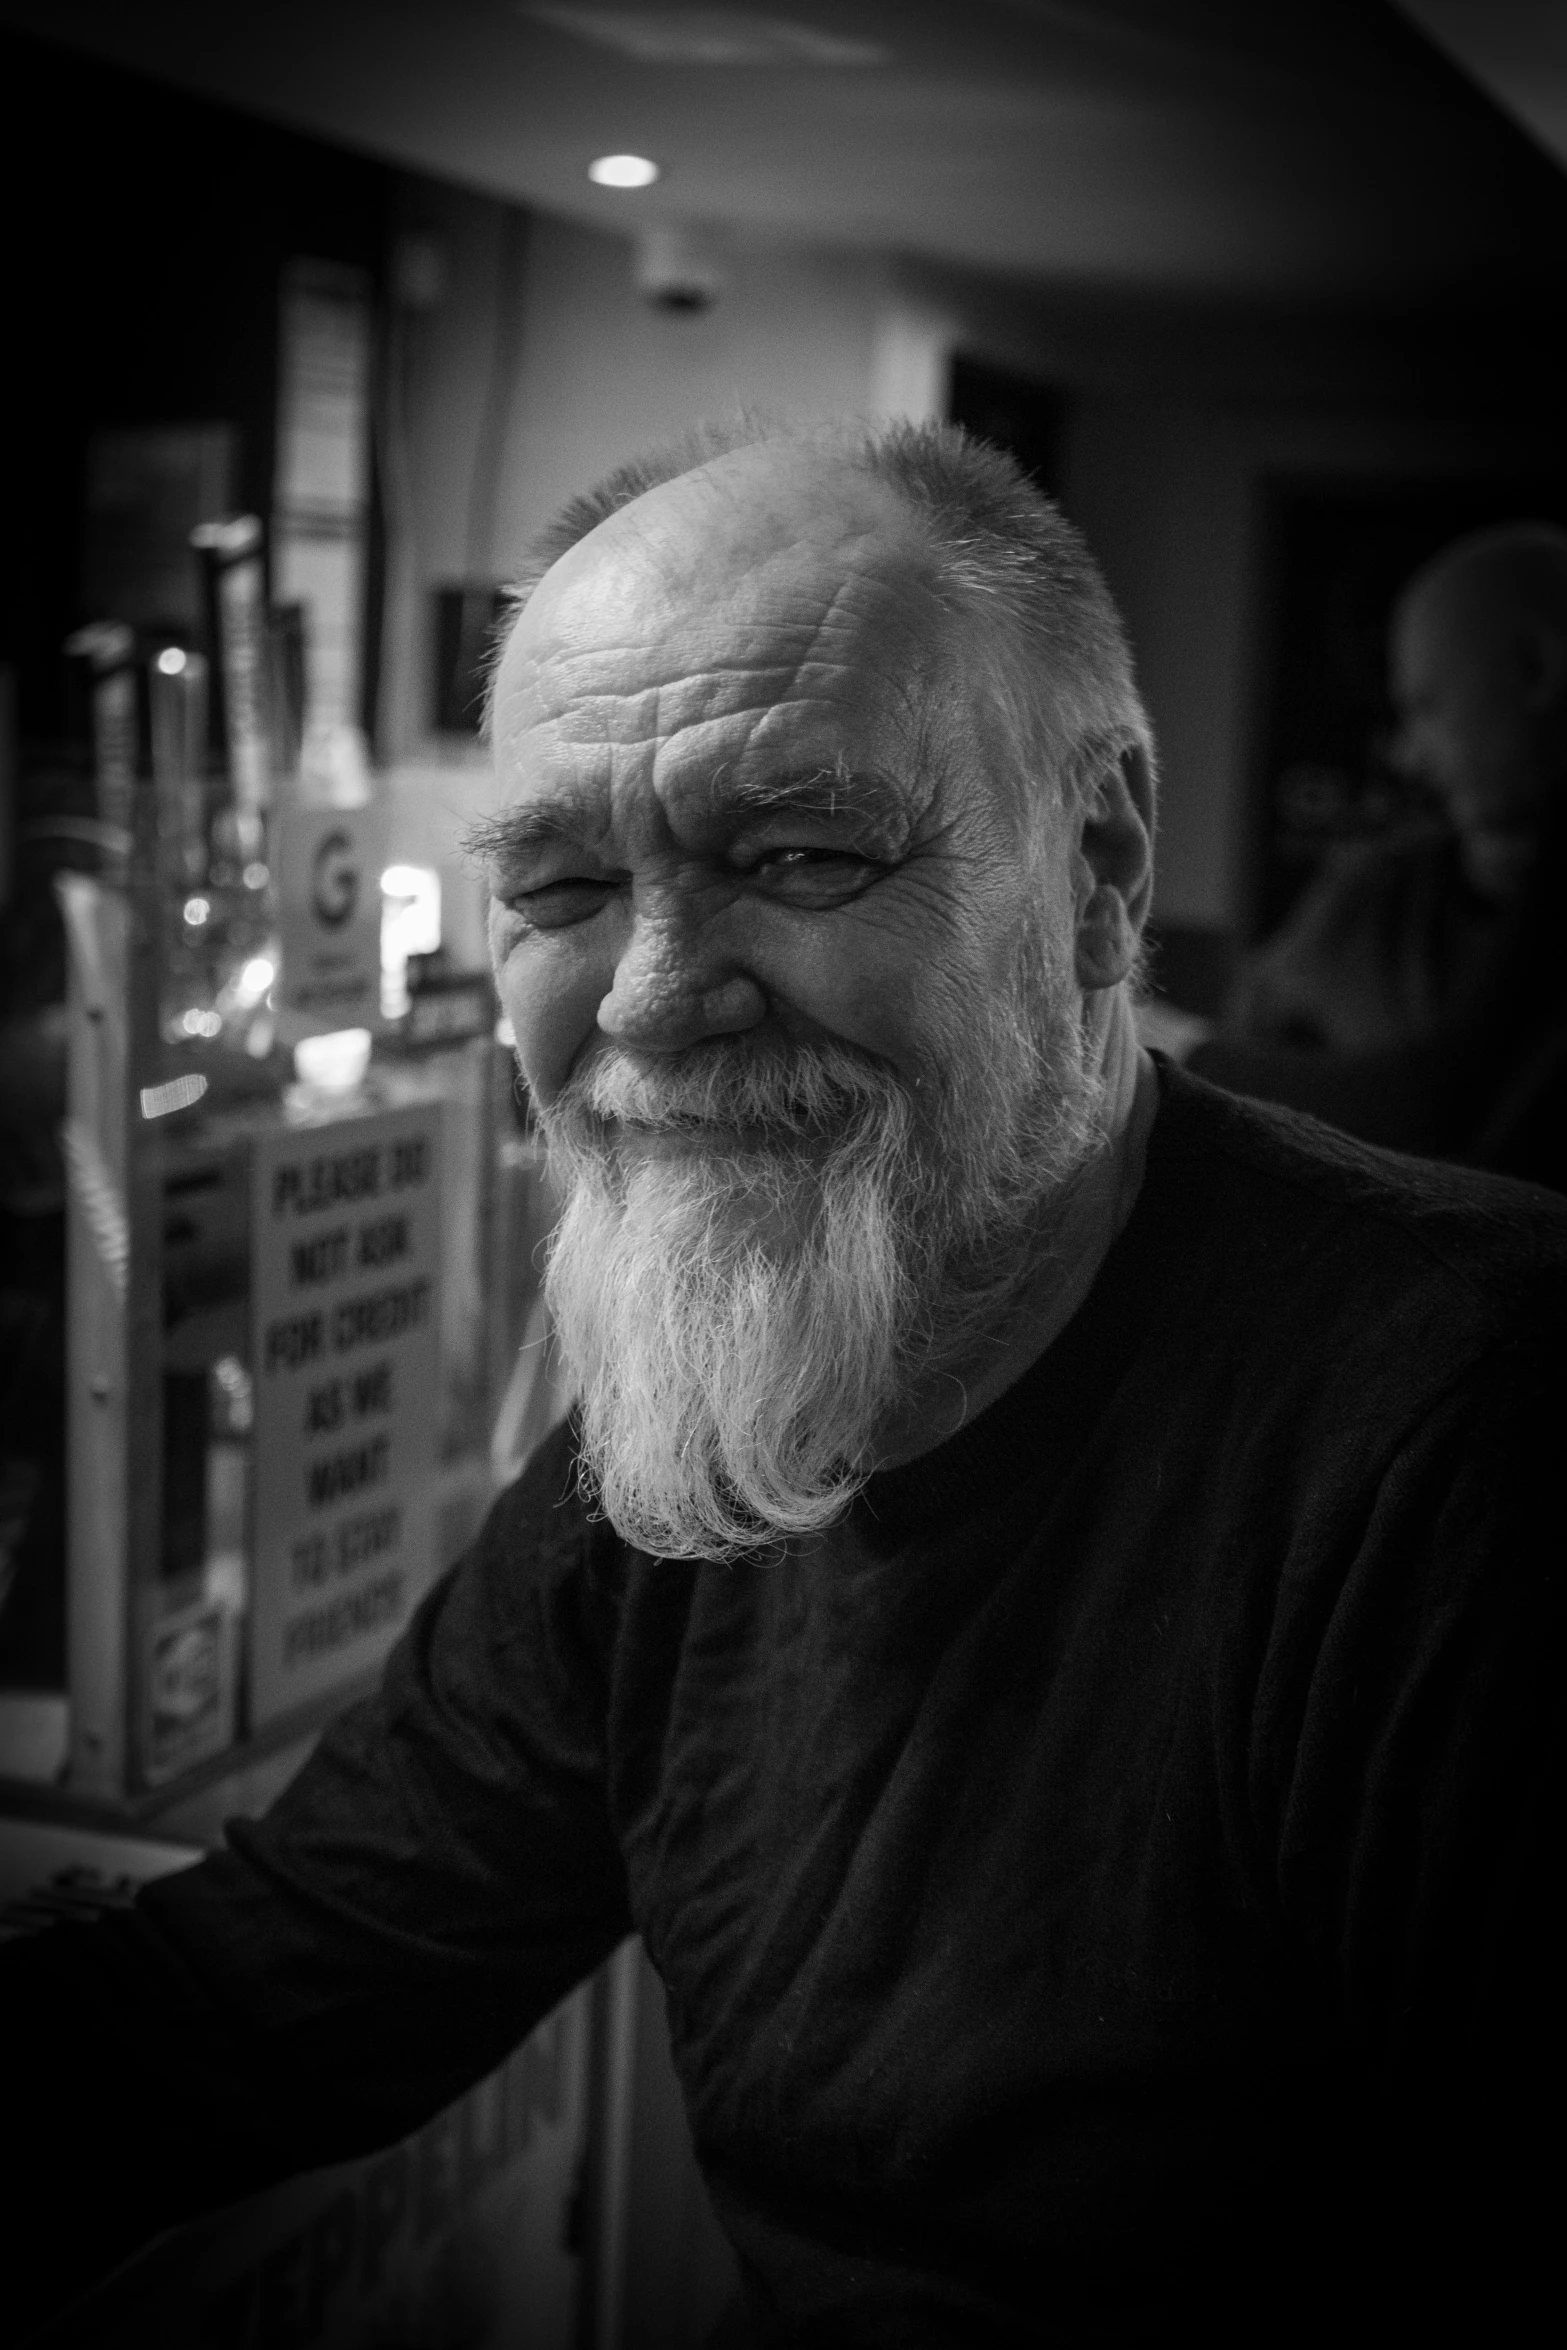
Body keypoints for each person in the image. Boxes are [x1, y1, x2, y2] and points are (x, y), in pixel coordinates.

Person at [4, 422, 1562, 2343]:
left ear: (1098, 871)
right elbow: (257, 1999)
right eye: (561, 889)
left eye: (804, 851)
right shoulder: (689, 1449)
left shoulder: (1464, 1441)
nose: (653, 994)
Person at [1189, 522, 1567, 1184]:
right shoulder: (1388, 882)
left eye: (1426, 706)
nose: (1407, 756)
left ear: (1536, 669)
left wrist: (1171, 1053)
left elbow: (1441, 1103)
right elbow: (1267, 1001)